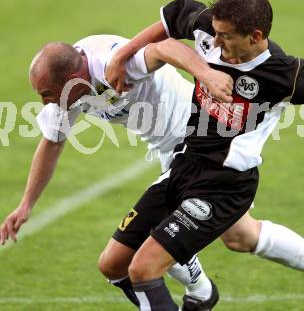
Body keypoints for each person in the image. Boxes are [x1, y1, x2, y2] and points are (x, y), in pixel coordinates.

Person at [101, 0, 304, 310]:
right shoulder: (209, 32)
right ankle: (203, 294)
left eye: (225, 36)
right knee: (113, 263)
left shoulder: (286, 74)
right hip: (184, 166)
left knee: (144, 268)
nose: (215, 42)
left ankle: (200, 293)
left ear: (255, 36)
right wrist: (121, 55)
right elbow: (172, 17)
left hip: (224, 185)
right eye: (214, 32)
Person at [0, 34, 233, 310]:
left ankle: (201, 292)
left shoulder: (113, 63)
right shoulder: (65, 91)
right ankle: (202, 292)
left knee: (132, 257)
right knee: (239, 237)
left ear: (72, 79)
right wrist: (26, 204)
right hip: (169, 152)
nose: (43, 103)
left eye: (47, 94)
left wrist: (207, 75)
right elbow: (52, 141)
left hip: (198, 143)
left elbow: (166, 47)